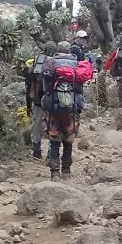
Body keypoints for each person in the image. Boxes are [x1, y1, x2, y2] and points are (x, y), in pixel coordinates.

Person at [41, 41, 93, 179]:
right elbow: (81, 86)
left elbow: (45, 86)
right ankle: (66, 170)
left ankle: (54, 171)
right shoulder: (77, 64)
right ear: (69, 51)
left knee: (54, 139)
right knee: (69, 139)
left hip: (53, 109)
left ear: (57, 51)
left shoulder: (50, 63)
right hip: (71, 109)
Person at [26, 42, 56, 160]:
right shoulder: (57, 64)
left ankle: (36, 150)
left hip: (38, 100)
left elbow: (28, 87)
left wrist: (28, 105)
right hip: (52, 101)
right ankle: (51, 152)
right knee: (52, 126)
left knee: (36, 125)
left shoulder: (36, 64)